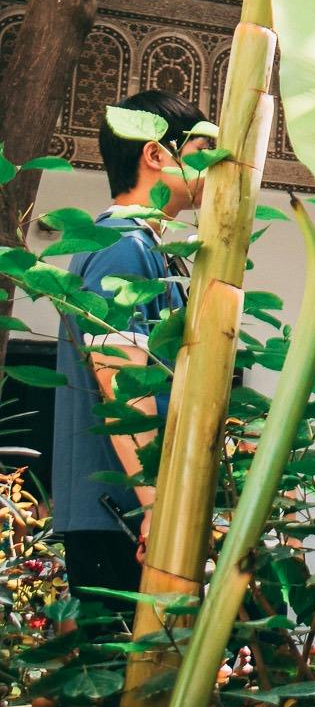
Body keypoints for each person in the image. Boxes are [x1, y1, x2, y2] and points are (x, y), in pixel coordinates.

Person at [51, 90, 211, 618]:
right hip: (122, 519)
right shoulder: (123, 245)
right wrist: (156, 506)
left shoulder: (146, 247)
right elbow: (121, 386)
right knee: (125, 689)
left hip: (132, 515)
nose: (211, 168)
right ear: (156, 154)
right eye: (199, 151)